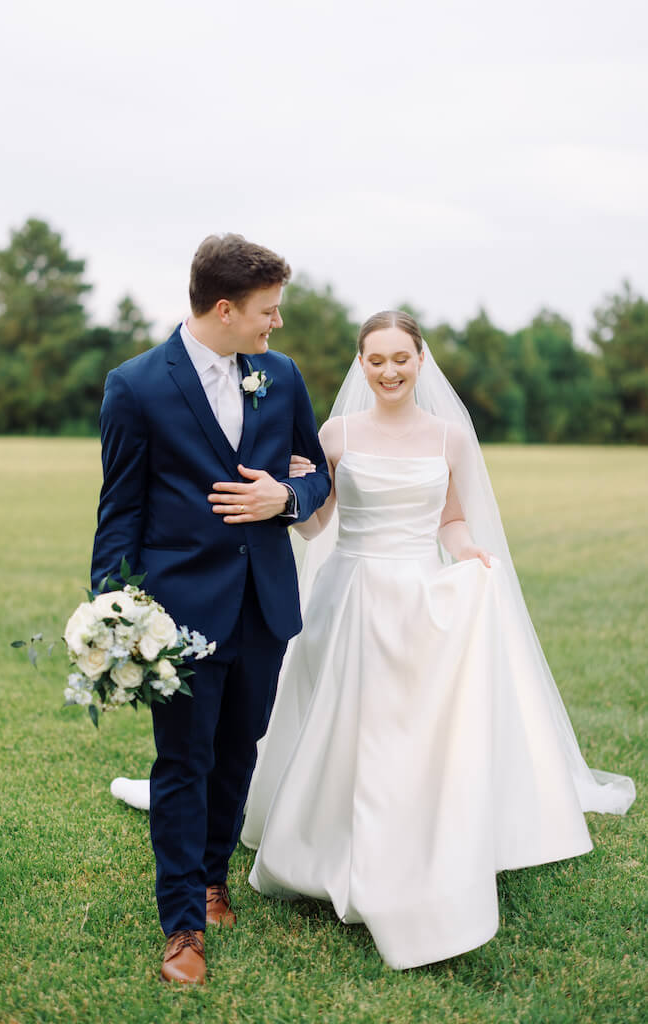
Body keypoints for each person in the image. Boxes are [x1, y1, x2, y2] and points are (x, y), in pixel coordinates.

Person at [239, 310, 636, 970]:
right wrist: (289, 496)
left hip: (418, 592)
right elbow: (317, 528)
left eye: (400, 357)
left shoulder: (449, 439)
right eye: (376, 359)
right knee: (345, 719)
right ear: (360, 364)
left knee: (409, 725)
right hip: (351, 591)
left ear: (420, 360)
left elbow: (449, 519)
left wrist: (468, 553)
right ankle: (325, 842)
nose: (389, 370)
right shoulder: (335, 434)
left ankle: (414, 838)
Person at [91, 234, 331, 985]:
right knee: (183, 761)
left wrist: (283, 497)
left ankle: (213, 875)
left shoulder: (281, 376)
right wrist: (114, 613)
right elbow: (119, 511)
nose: (276, 325)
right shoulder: (135, 386)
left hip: (262, 605)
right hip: (178, 612)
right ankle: (182, 928)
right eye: (268, 311)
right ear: (224, 310)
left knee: (238, 752)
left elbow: (317, 474)